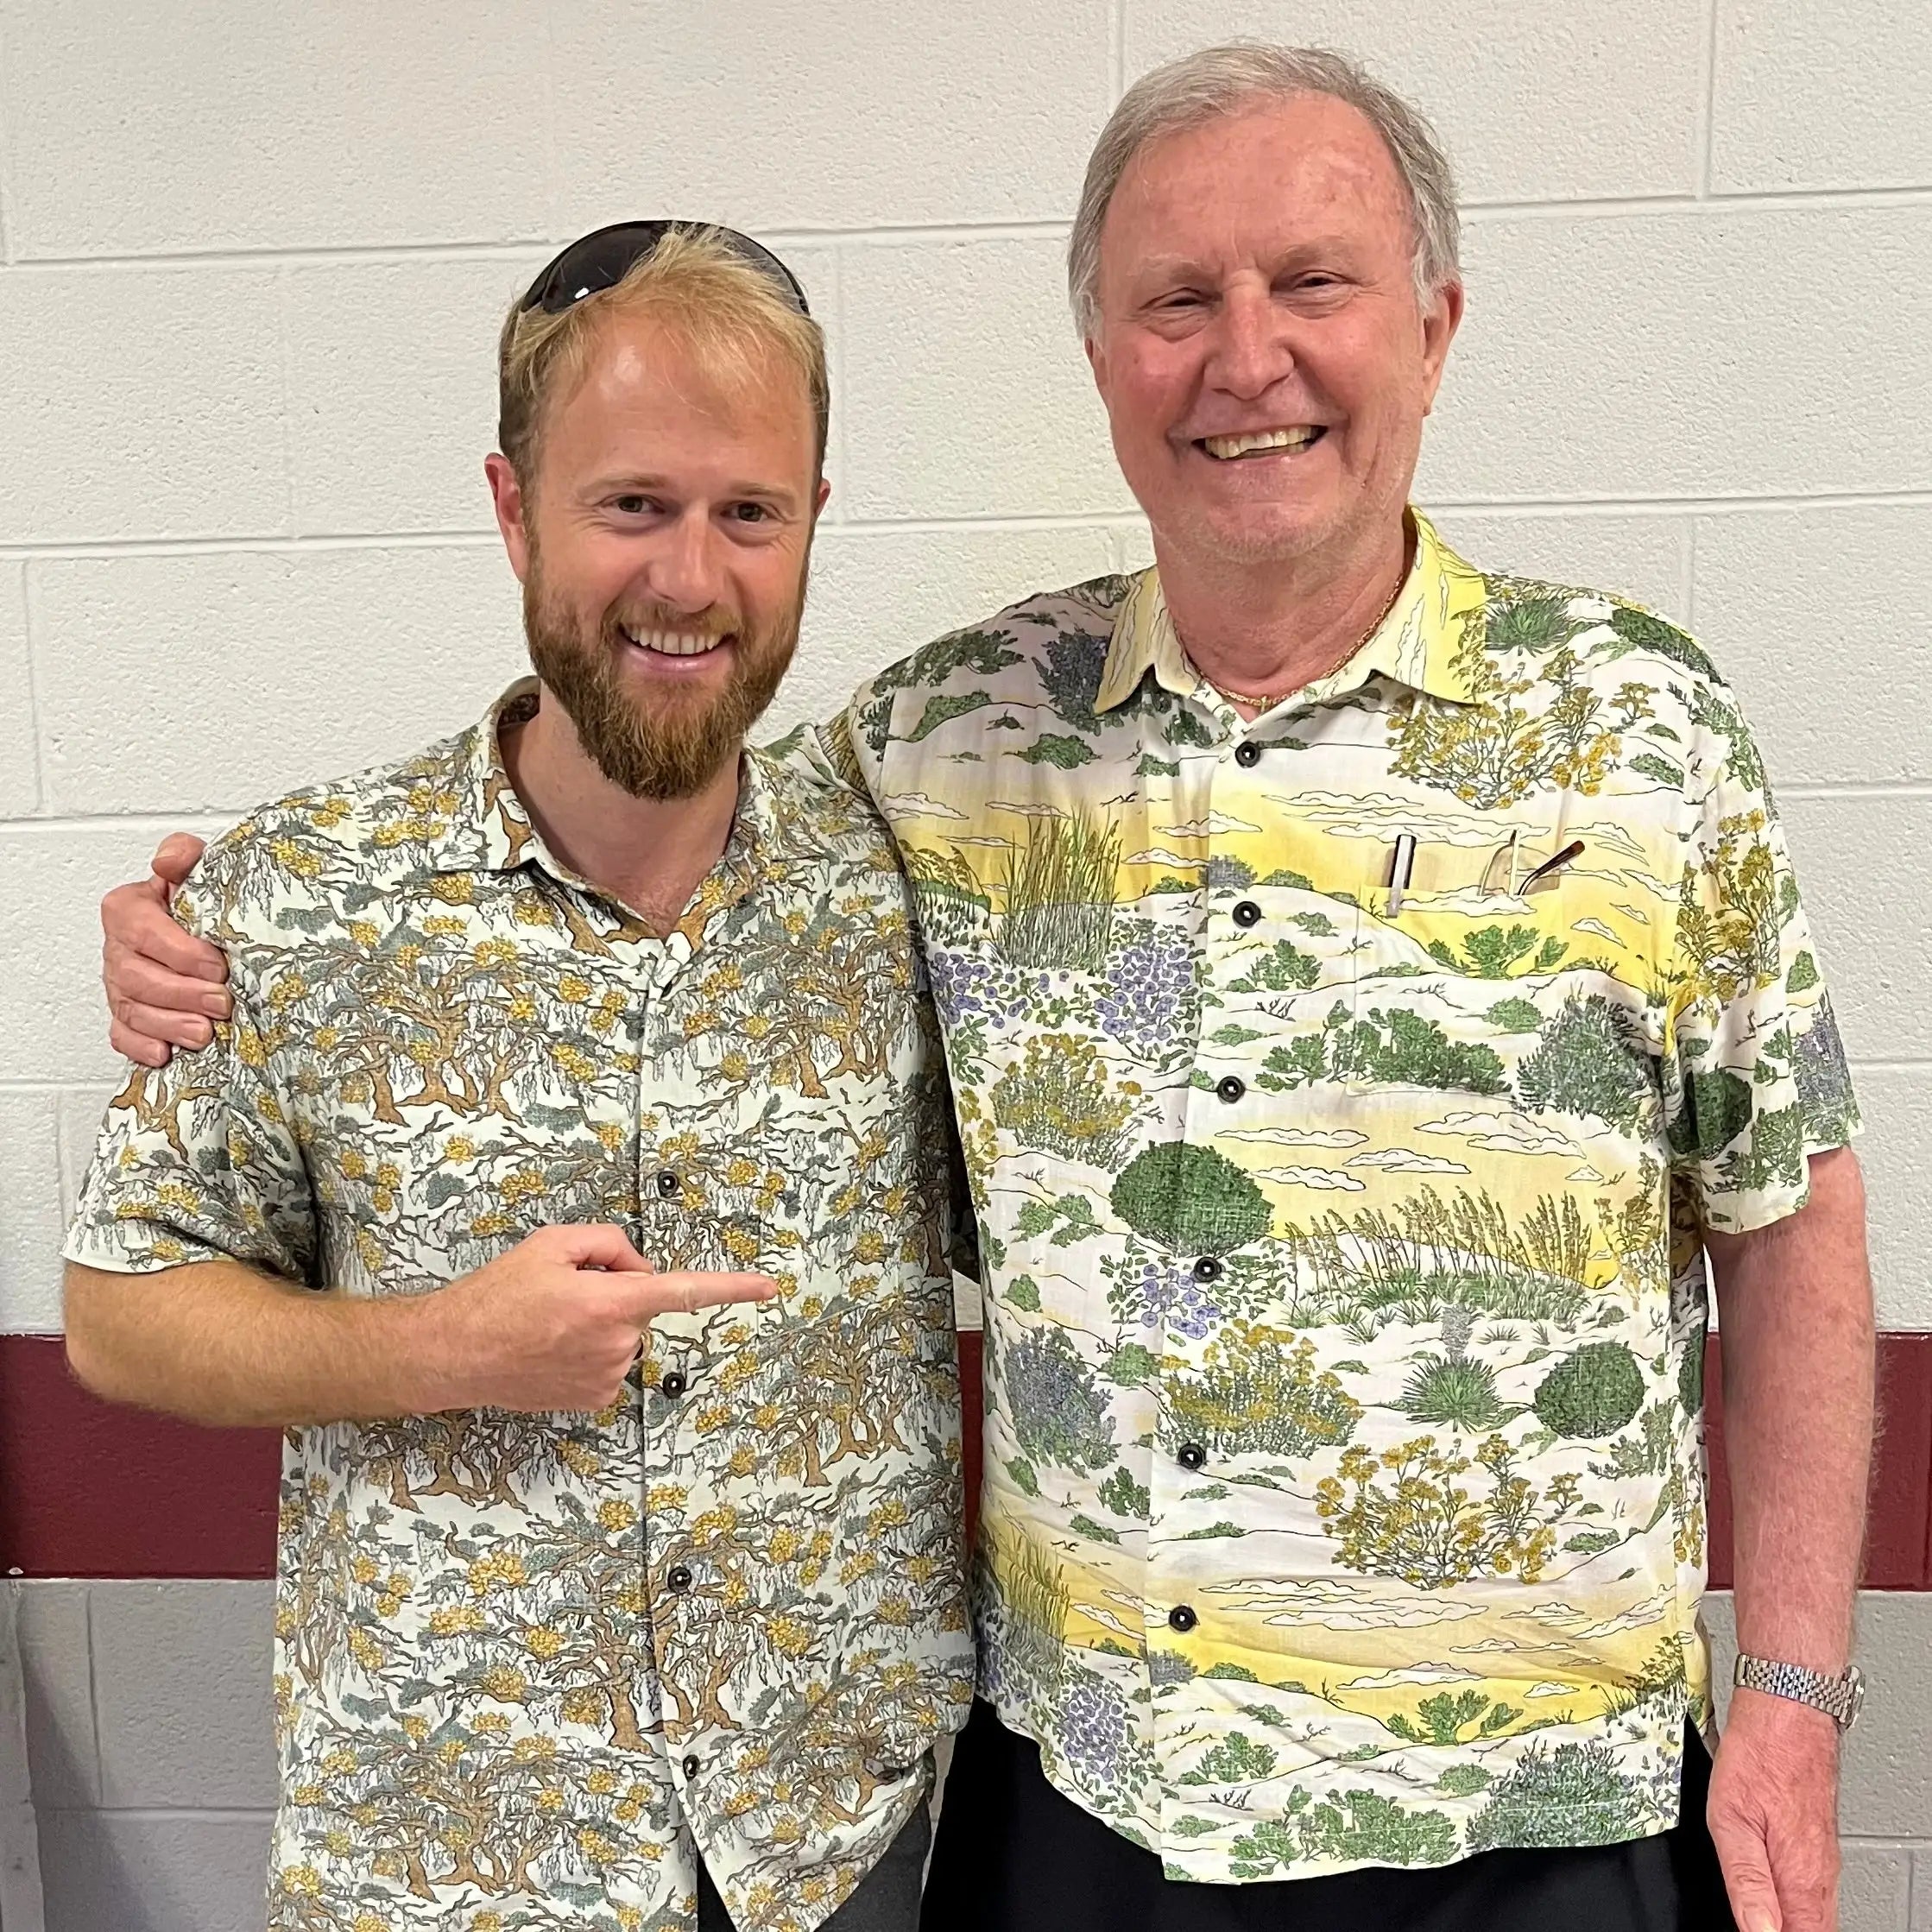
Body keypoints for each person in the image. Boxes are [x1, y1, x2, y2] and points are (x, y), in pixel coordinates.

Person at [98, 42, 1874, 1932]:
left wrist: (1791, 1696)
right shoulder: (944, 747)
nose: (1246, 355)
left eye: (1315, 284)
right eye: (1178, 299)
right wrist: (215, 937)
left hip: (1531, 1823)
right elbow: (649, 790)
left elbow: (1795, 1216)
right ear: (1106, 357)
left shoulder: (1644, 731)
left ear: (1433, 328)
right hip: (1091, 1812)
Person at [68, 223, 974, 1932]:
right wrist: (438, 1347)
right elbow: (121, 1307)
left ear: (813, 524)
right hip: (459, 1855)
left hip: (835, 1844)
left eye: (748, 512)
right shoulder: (298, 899)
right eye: (632, 505)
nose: (690, 578)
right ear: (512, 508)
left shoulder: (910, 888)